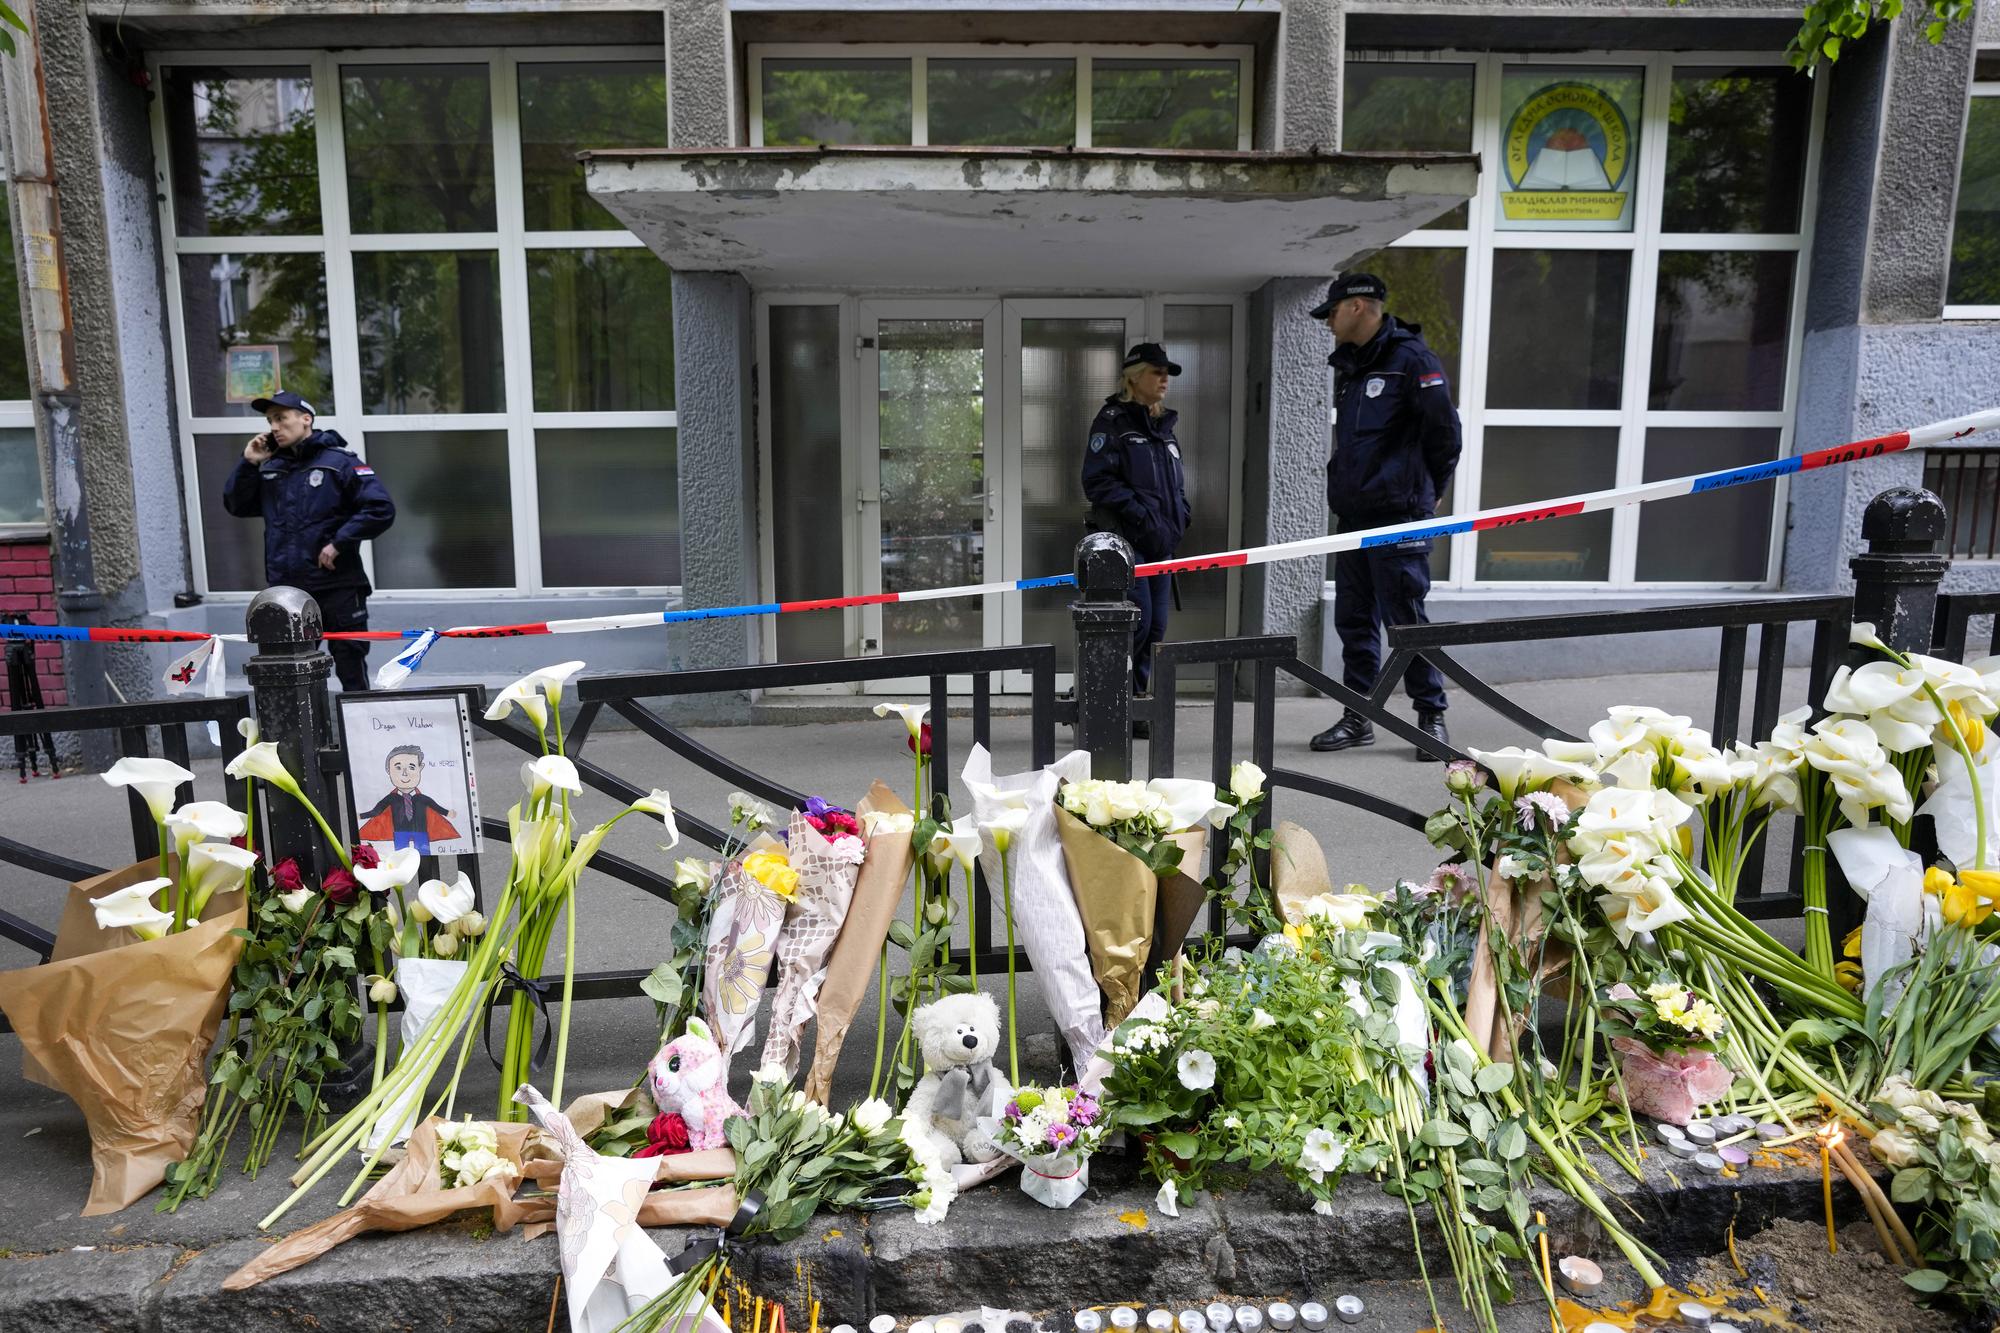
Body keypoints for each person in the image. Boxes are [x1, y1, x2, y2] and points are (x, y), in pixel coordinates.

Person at [1307, 273, 1462, 758]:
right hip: (1355, 518)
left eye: (1332, 311)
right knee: (1354, 620)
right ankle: (1360, 716)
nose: (1329, 322)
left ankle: (1430, 717)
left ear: (1357, 307)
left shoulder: (1412, 360)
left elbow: (1445, 434)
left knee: (1406, 619)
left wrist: (1428, 495)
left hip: (1399, 516)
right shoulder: (1354, 368)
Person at [222, 390, 395, 691]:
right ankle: (305, 739)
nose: (275, 427)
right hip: (288, 593)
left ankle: (359, 736)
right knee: (292, 675)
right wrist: (248, 463)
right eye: (270, 420)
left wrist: (339, 543)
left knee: (351, 670)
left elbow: (380, 509)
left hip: (337, 587)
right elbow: (236, 505)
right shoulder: (271, 466)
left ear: (306, 419)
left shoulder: (339, 462)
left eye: (281, 418)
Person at [1082, 343, 1192, 736]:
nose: (1165, 380)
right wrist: (1143, 516)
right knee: (1135, 625)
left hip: (1161, 544)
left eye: (1167, 374)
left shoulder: (1163, 427)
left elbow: (1174, 486)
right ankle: (1104, 702)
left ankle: (1134, 704)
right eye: (1157, 372)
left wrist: (1182, 513)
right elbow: (1097, 482)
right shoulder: (1113, 422)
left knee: (1157, 627)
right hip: (1128, 545)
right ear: (1134, 376)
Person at [358, 744, 461, 854]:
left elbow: (436, 807)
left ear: (420, 768)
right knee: (400, 856)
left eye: (412, 767)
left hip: (420, 832)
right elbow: (376, 811)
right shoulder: (392, 798)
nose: (405, 773)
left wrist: (447, 813)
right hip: (400, 833)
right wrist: (361, 816)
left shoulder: (422, 798)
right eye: (398, 767)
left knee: (424, 855)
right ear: (388, 770)